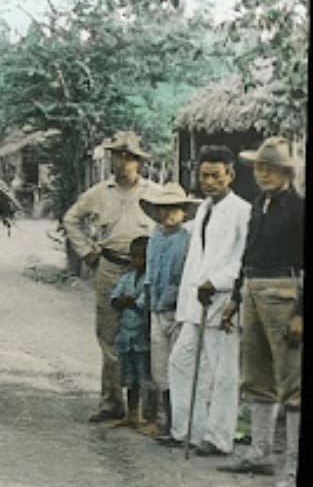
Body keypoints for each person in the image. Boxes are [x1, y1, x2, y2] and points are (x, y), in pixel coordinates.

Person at [218, 137, 304, 487]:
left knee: (293, 385)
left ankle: (293, 469)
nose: (263, 174)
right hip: (253, 291)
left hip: (285, 293)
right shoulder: (259, 205)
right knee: (256, 376)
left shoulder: (299, 209)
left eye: (270, 168)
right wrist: (237, 297)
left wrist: (301, 313)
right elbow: (247, 255)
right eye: (259, 167)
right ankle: (260, 451)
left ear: (286, 172)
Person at [62, 131, 159, 421]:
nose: (123, 162)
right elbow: (71, 219)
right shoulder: (100, 192)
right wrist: (87, 252)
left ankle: (146, 407)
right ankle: (111, 401)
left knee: (147, 332)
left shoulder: (153, 192)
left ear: (139, 162)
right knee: (109, 333)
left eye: (129, 157)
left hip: (144, 269)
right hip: (110, 266)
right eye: (118, 156)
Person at [162, 145, 251, 456]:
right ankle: (187, 430)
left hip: (222, 301)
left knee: (223, 372)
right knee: (181, 362)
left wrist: (218, 281)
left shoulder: (242, 211)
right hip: (194, 302)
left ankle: (219, 437)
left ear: (230, 175)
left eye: (215, 176)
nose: (209, 182)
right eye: (204, 176)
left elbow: (243, 259)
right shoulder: (202, 209)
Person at [139, 183, 199, 439]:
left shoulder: (189, 241)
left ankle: (181, 425)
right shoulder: (155, 238)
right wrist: (146, 299)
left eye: (175, 209)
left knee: (179, 367)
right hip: (155, 309)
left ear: (184, 211)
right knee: (160, 368)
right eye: (164, 209)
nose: (169, 214)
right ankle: (167, 422)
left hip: (178, 310)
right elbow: (150, 274)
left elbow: (186, 276)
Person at [107, 236, 156, 434]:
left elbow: (142, 302)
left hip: (142, 336)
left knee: (145, 376)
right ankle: (132, 413)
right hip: (126, 336)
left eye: (142, 257)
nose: (138, 261)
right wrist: (125, 300)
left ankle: (148, 416)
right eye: (134, 257)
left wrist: (127, 301)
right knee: (128, 377)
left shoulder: (149, 280)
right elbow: (115, 299)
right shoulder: (126, 278)